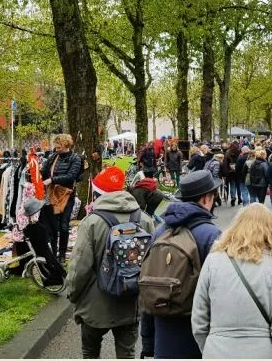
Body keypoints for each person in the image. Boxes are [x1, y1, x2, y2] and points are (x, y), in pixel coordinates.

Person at [66, 167, 155, 359]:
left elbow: (79, 268)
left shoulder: (91, 223)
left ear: (99, 193)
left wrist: (73, 295)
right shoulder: (144, 220)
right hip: (130, 302)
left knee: (90, 352)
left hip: (94, 305)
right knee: (127, 353)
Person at [191, 204, 272, 358]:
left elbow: (199, 318)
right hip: (262, 352)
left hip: (217, 350)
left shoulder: (213, 261)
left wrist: (209, 349)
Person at [149, 171, 221, 359]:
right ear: (206, 198)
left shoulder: (160, 232)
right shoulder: (212, 235)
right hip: (199, 332)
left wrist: (147, 340)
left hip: (163, 331)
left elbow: (148, 283)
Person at [40, 133, 83, 261]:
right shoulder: (53, 157)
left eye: (59, 147)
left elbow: (71, 176)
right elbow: (44, 171)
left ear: (66, 145)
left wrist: (52, 180)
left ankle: (62, 254)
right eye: (56, 147)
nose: (56, 149)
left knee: (64, 225)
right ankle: (53, 253)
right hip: (53, 195)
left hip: (67, 196)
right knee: (53, 226)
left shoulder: (75, 158)